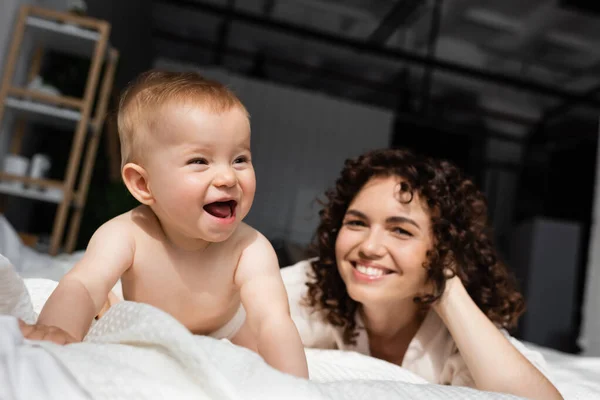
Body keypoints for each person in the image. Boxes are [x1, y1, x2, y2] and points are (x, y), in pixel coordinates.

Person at [19, 70, 309, 379]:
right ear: (143, 183)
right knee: (100, 302)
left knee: (260, 348)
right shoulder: (126, 234)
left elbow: (272, 320)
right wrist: (55, 332)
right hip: (148, 320)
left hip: (227, 331)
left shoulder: (249, 248)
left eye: (240, 159)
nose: (228, 178)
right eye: (200, 161)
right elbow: (83, 285)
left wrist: (296, 386)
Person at [281, 148, 563, 398]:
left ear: (443, 250)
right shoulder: (316, 285)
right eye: (356, 223)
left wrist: (447, 290)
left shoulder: (456, 337)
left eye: (401, 230)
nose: (369, 246)